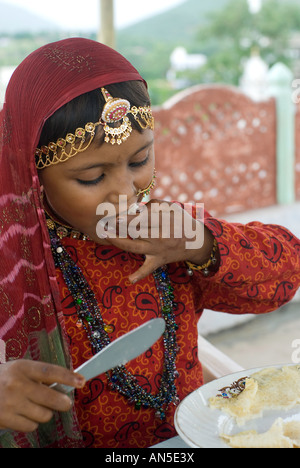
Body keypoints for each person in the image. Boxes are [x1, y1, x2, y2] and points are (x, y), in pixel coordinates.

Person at [0, 37, 299, 449]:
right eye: (91, 177)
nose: (125, 192)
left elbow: (285, 276)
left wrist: (201, 244)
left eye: (140, 161)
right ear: (31, 171)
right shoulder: (14, 263)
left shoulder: (167, 230)